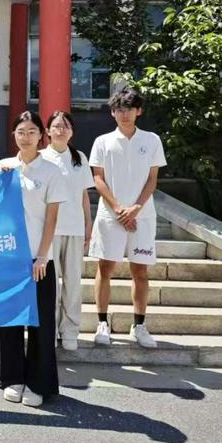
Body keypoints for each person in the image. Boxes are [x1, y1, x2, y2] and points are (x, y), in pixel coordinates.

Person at [0, 111, 65, 408]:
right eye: (21, 131)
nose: (26, 137)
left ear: (41, 136)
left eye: (32, 131)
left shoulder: (51, 171)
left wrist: (43, 256)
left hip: (39, 258)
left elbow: (52, 218)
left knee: (41, 323)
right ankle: (12, 377)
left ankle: (38, 383)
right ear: (14, 135)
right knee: (8, 320)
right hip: (8, 257)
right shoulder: (4, 166)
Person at [89, 87, 167, 349]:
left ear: (139, 111)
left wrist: (135, 208)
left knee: (140, 271)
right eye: (119, 109)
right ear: (113, 112)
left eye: (130, 109)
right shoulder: (102, 141)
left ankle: (139, 325)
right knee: (105, 268)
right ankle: (102, 323)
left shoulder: (152, 140)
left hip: (142, 215)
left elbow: (152, 180)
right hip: (110, 215)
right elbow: (98, 179)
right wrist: (119, 209)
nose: (125, 114)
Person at [40, 111, 94, 352]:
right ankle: (49, 330)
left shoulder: (79, 158)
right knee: (50, 284)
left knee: (72, 282)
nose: (61, 130)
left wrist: (88, 223)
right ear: (47, 131)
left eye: (66, 126)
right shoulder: (40, 158)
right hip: (48, 230)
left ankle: (70, 331)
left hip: (74, 227)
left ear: (72, 132)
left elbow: (84, 195)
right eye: (56, 126)